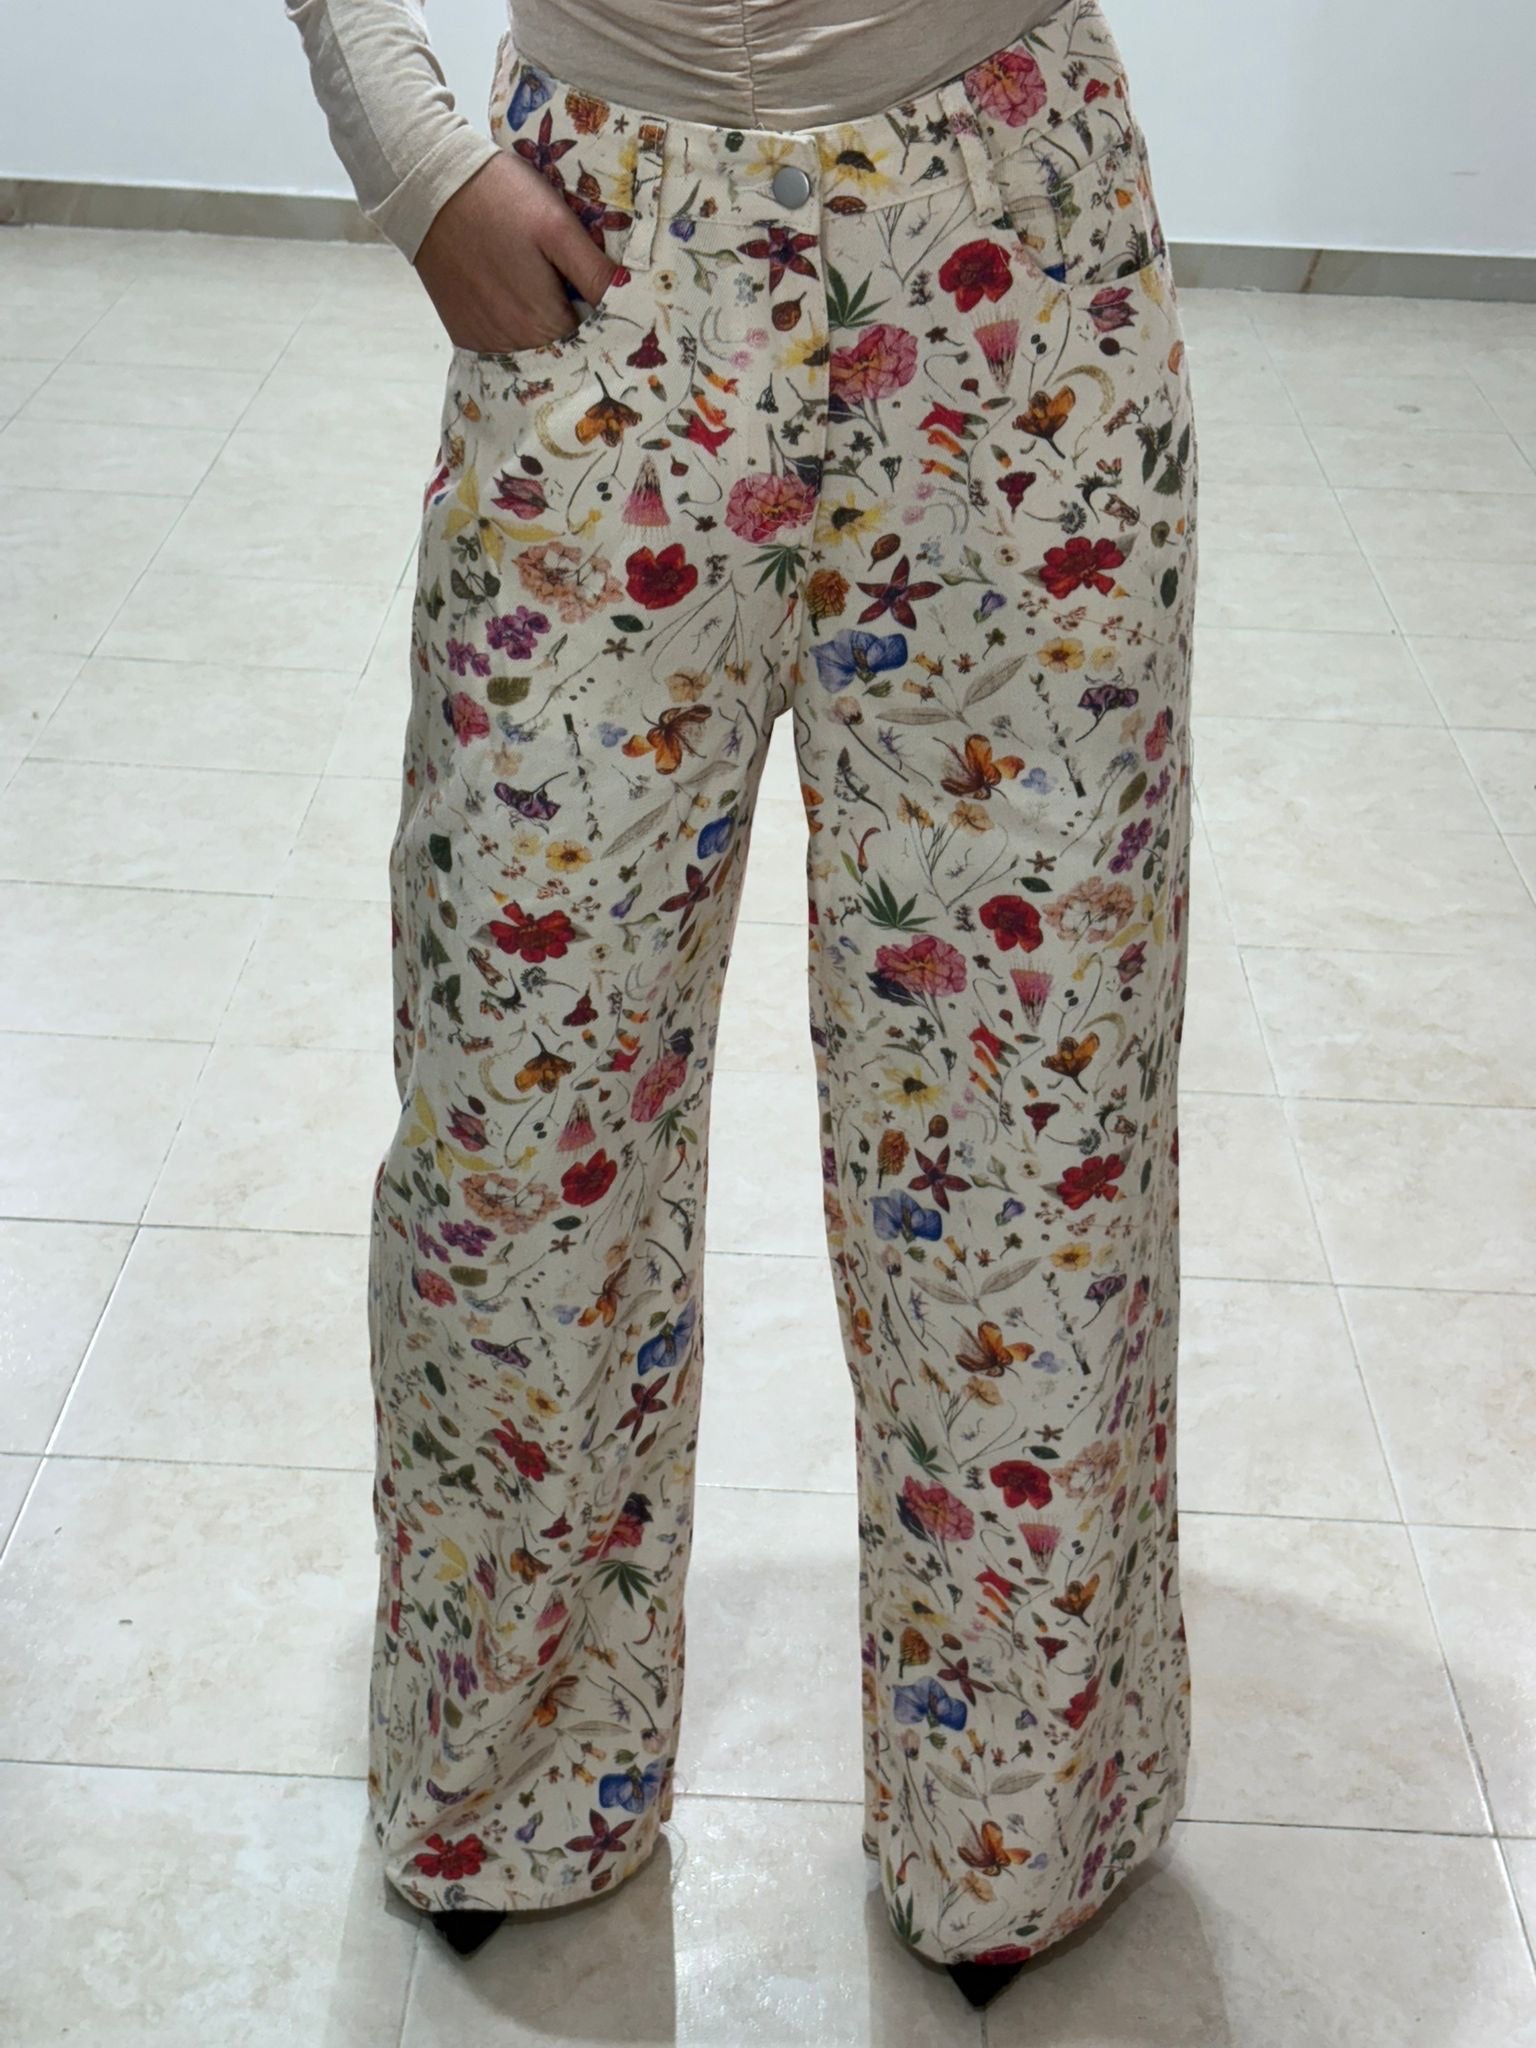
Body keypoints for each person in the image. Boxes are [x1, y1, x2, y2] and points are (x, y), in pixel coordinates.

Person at [288, 0, 1198, 2012]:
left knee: (1029, 1115)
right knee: (522, 1094)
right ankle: (508, 1767)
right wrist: (404, 146)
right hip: (605, 243)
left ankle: (1019, 1815)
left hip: (1010, 256)